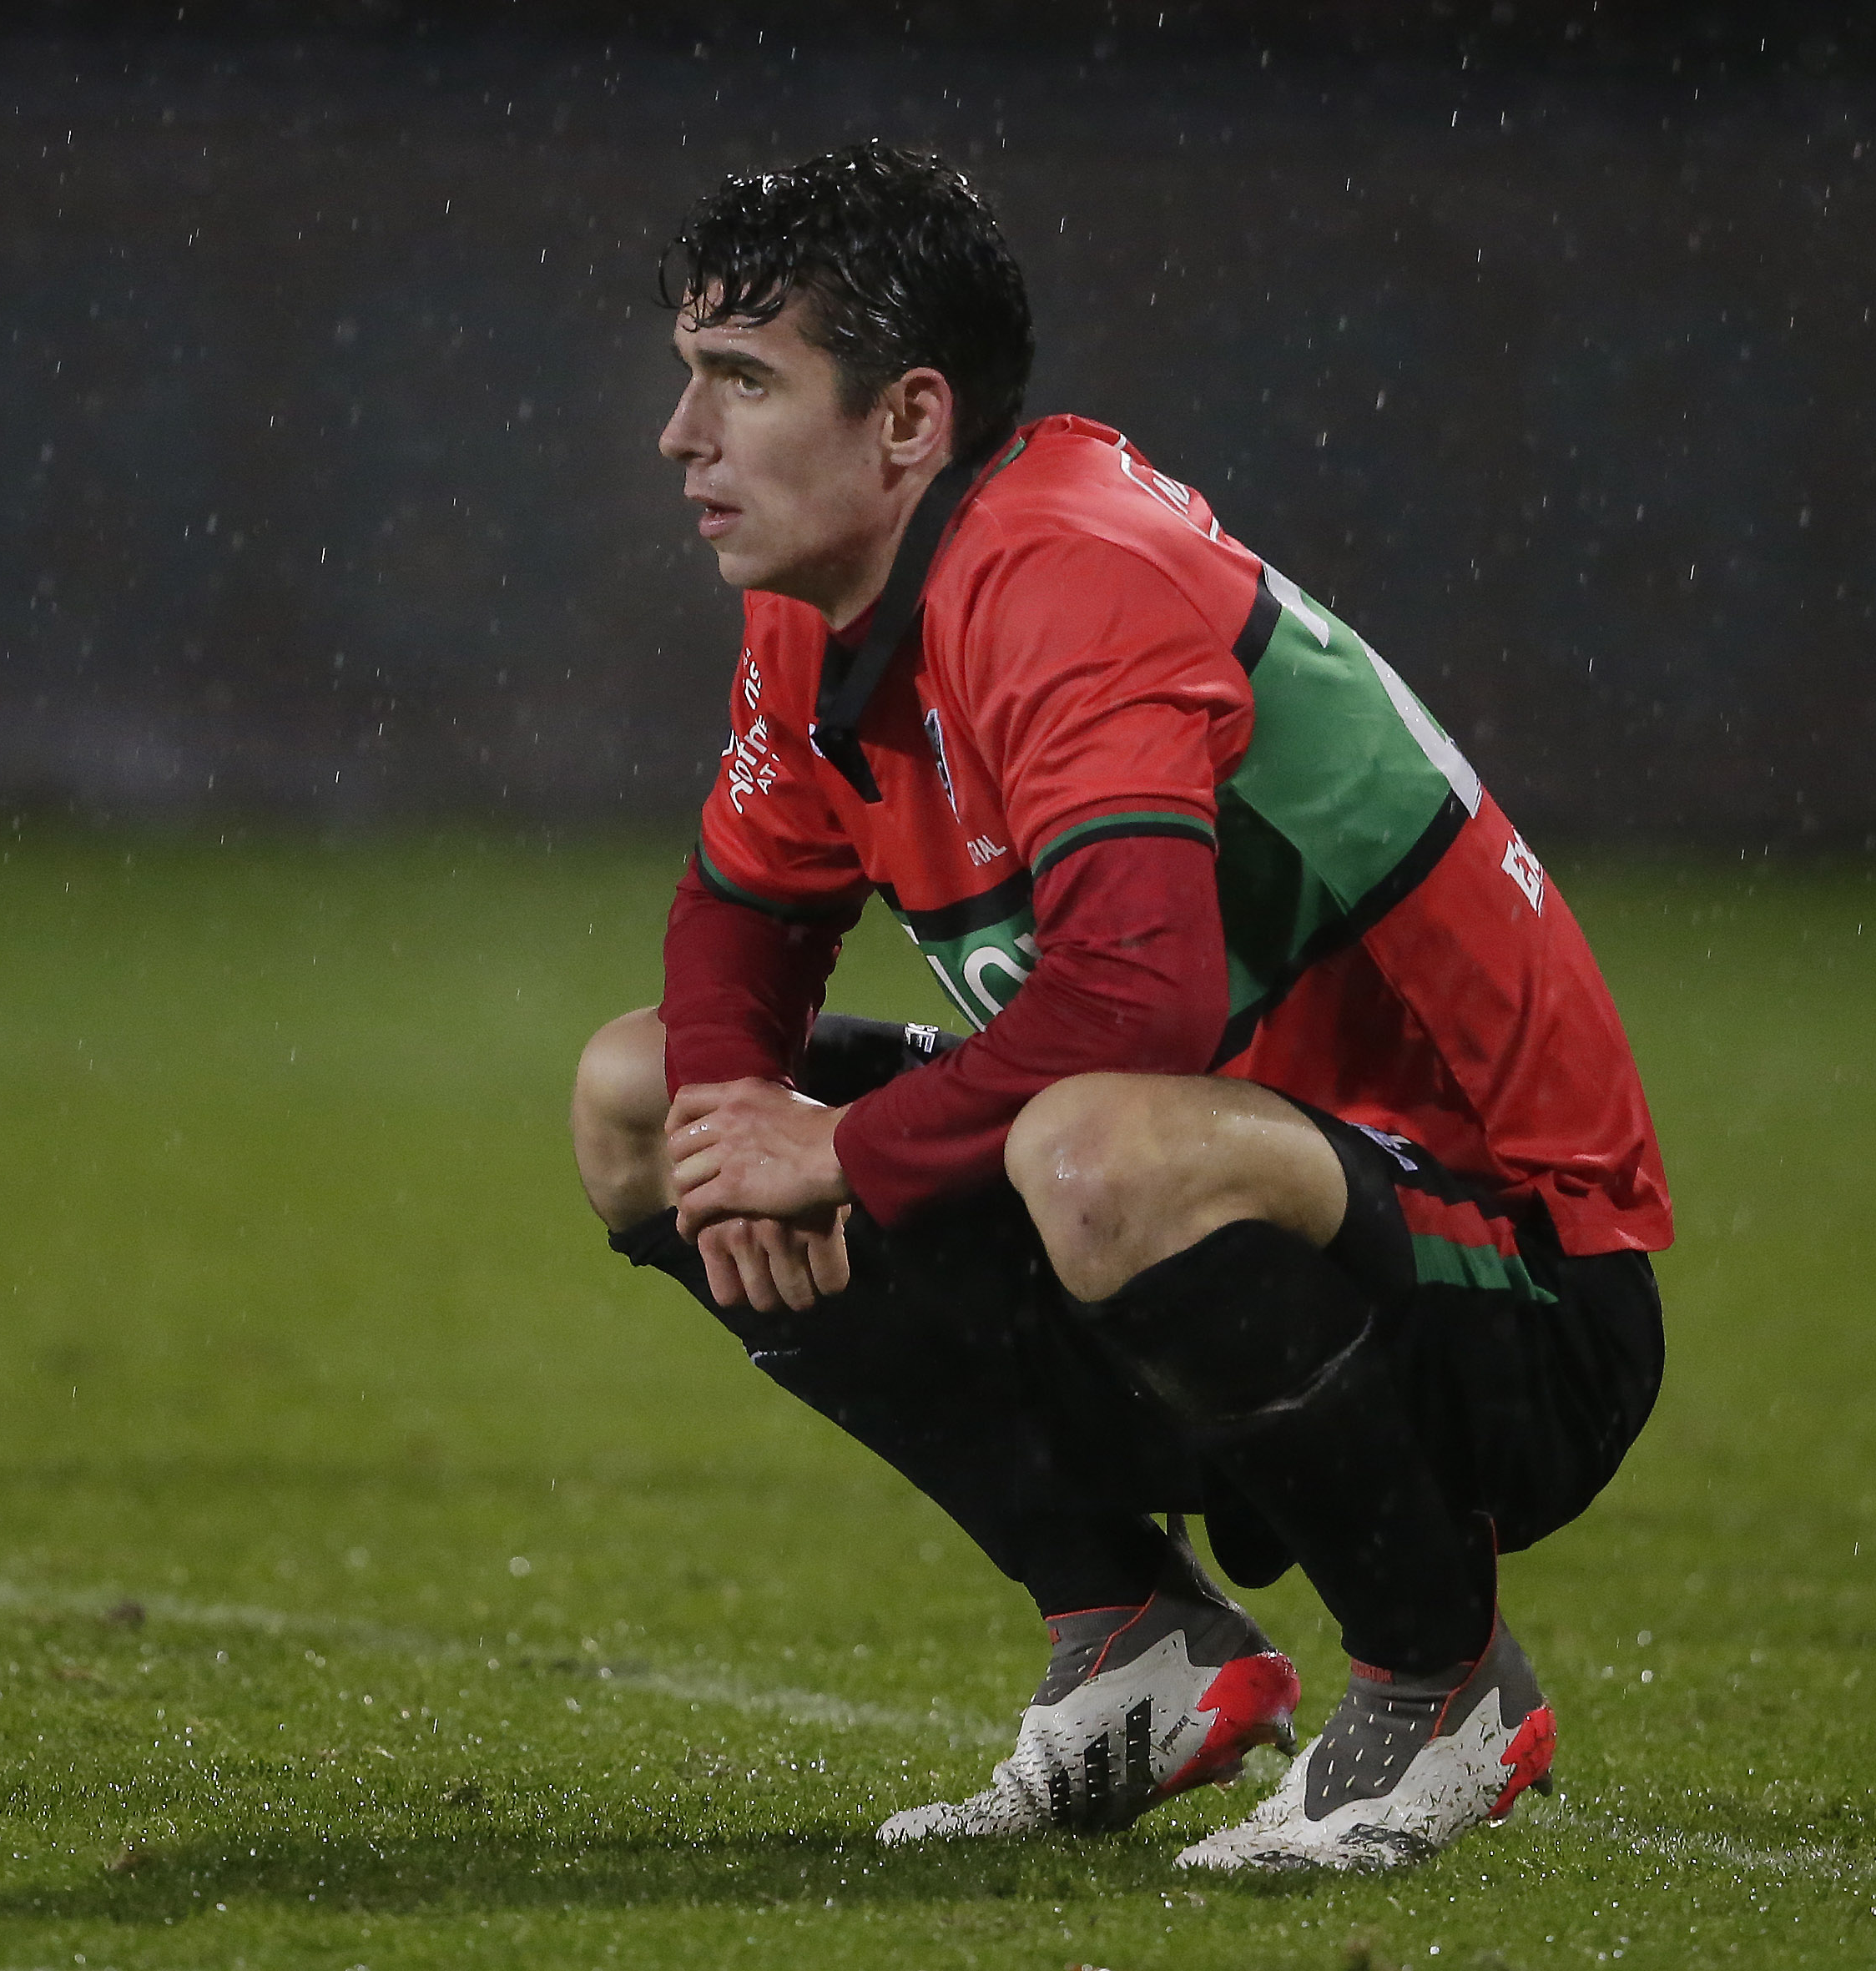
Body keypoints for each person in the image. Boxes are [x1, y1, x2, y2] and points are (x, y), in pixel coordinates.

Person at [567, 141, 1671, 1874]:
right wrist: (733, 1127)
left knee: (1096, 1138)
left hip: (1511, 1285)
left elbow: (1139, 996)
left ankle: (1435, 1670)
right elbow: (741, 905)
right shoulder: (831, 604)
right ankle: (1131, 1637)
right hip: (1186, 1209)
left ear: (906, 421)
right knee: (640, 1096)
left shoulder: (1063, 569)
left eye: (739, 382)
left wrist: (833, 1148)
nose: (679, 438)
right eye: (686, 379)